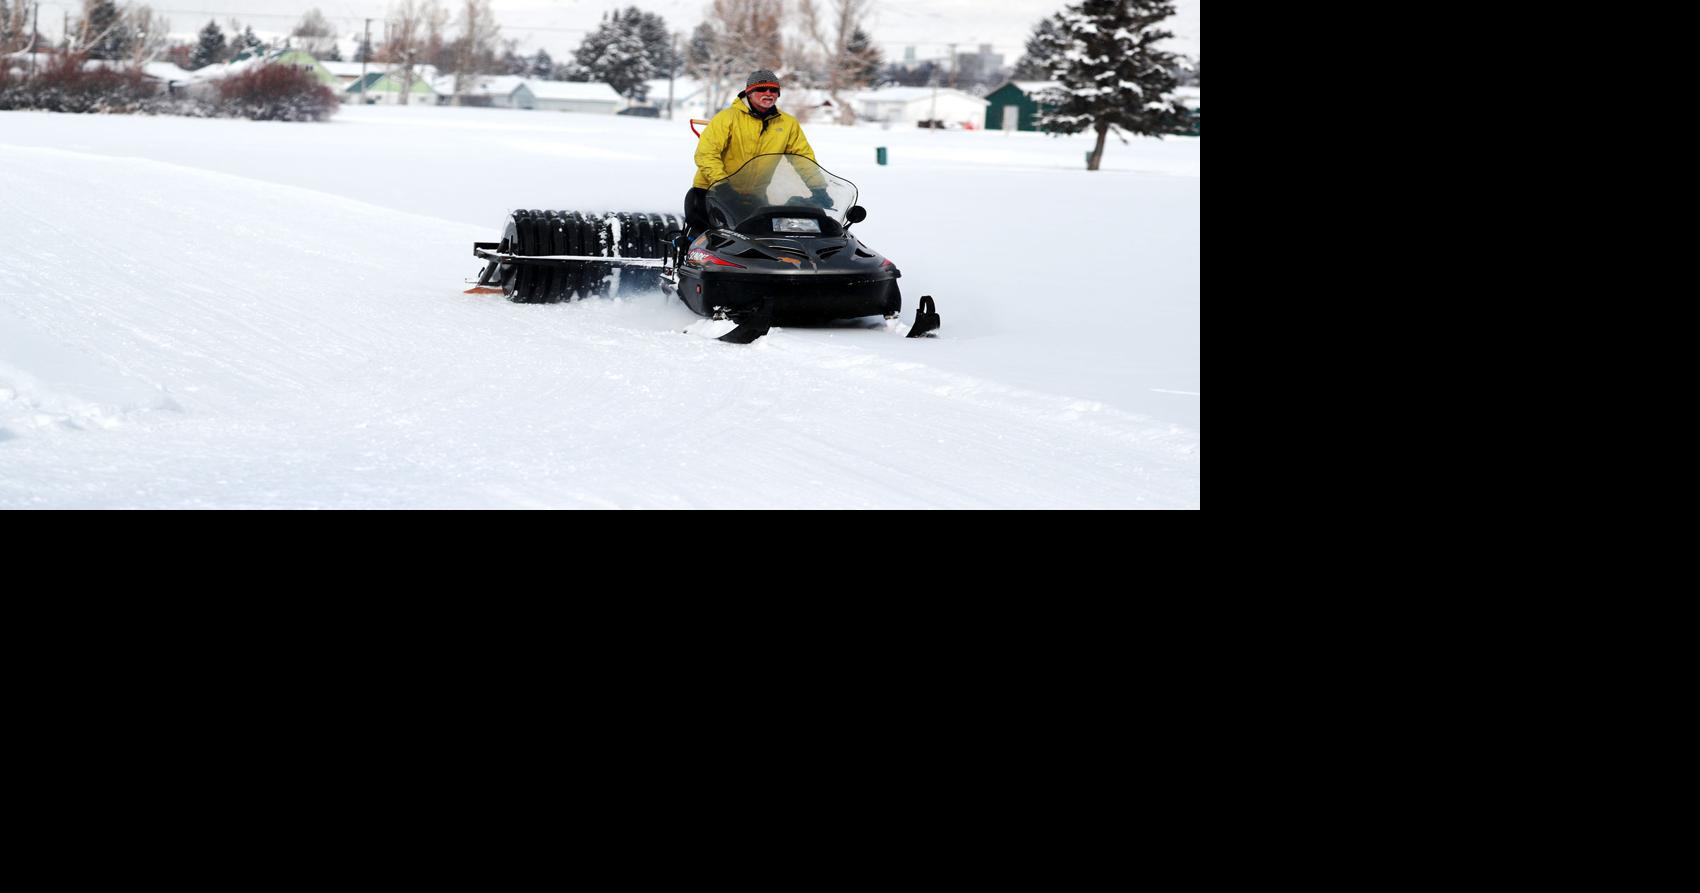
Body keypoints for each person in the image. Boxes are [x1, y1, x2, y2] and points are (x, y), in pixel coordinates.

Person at [681, 69, 823, 242]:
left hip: (755, 198)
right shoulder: (727, 118)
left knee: (759, 242)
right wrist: (722, 185)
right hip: (713, 193)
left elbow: (803, 158)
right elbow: (706, 154)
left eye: (773, 90)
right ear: (749, 92)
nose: (768, 94)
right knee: (706, 241)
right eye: (762, 89)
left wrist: (818, 188)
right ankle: (686, 254)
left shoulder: (787, 124)